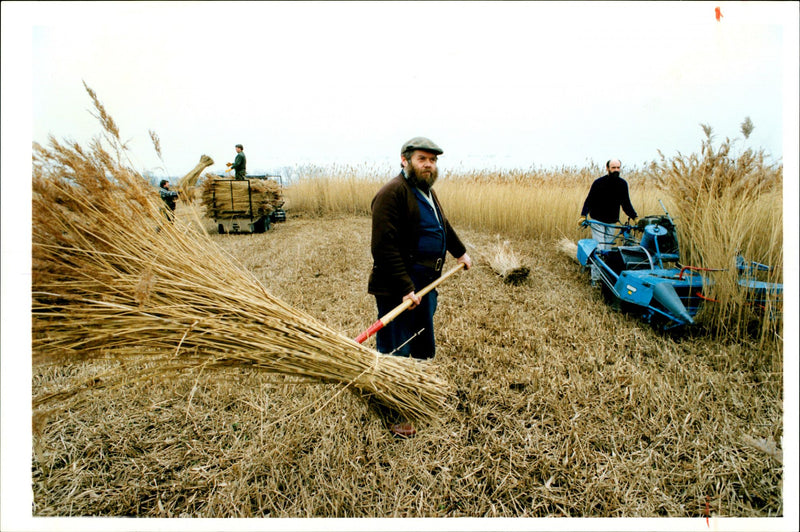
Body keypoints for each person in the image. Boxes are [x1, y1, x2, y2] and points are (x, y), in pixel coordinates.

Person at [368, 136, 472, 437]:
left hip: (426, 285)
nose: (429, 165)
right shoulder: (392, 193)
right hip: (399, 289)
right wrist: (405, 287)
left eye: (433, 160)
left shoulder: (425, 191)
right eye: (422, 159)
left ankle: (417, 395)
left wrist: (460, 252)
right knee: (397, 348)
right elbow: (383, 247)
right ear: (405, 160)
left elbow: (442, 225)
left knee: (421, 343)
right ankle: (396, 411)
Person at [579, 159, 638, 284]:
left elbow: (626, 204)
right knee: (599, 249)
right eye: (613, 168)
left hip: (612, 221)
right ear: (607, 168)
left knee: (608, 249)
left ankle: (605, 278)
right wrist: (583, 215)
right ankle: (595, 279)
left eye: (618, 167)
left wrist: (635, 217)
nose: (616, 170)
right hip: (597, 221)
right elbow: (589, 200)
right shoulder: (598, 183)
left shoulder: (623, 184)